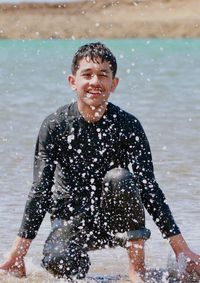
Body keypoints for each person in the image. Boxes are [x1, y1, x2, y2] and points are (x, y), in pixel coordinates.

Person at [0, 42, 199, 282]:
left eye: (103, 75)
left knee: (121, 177)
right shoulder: (55, 125)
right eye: (87, 75)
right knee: (58, 263)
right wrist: (18, 252)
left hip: (115, 221)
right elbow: (40, 191)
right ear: (72, 81)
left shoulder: (128, 125)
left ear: (113, 84)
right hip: (71, 220)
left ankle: (137, 269)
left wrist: (181, 249)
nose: (95, 82)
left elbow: (149, 188)